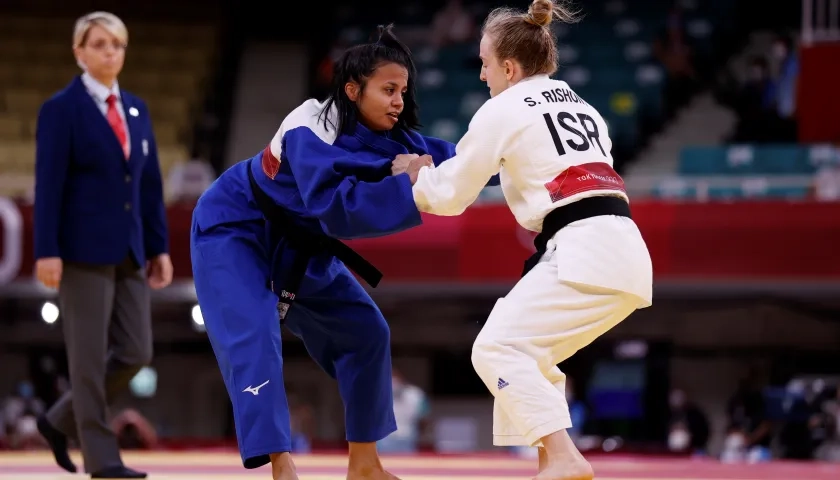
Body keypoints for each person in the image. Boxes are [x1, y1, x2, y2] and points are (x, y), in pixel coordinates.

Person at [190, 25, 456, 480]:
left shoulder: (397, 138)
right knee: (255, 334)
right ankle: (281, 464)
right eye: (388, 90)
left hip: (301, 244)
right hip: (236, 229)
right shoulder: (310, 125)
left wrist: (509, 159)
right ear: (353, 90)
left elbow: (460, 159)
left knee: (367, 332)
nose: (398, 101)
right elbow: (335, 209)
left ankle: (365, 464)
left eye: (403, 91)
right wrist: (407, 184)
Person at [410, 1, 653, 479]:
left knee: (497, 348)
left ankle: (562, 458)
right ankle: (549, 463)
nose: (481, 76)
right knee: (531, 351)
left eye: (483, 63)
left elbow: (451, 196)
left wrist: (416, 176)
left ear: (508, 66)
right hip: (618, 246)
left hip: (584, 248)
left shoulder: (501, 109)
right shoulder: (582, 105)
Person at [33, 11, 172, 479]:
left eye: (117, 44)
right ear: (79, 51)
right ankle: (103, 460)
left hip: (131, 250)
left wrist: (159, 247)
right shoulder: (61, 109)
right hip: (79, 251)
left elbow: (148, 186)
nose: (110, 51)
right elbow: (48, 185)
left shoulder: (136, 108)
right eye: (99, 44)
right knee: (88, 361)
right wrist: (46, 249)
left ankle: (57, 421)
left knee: (136, 352)